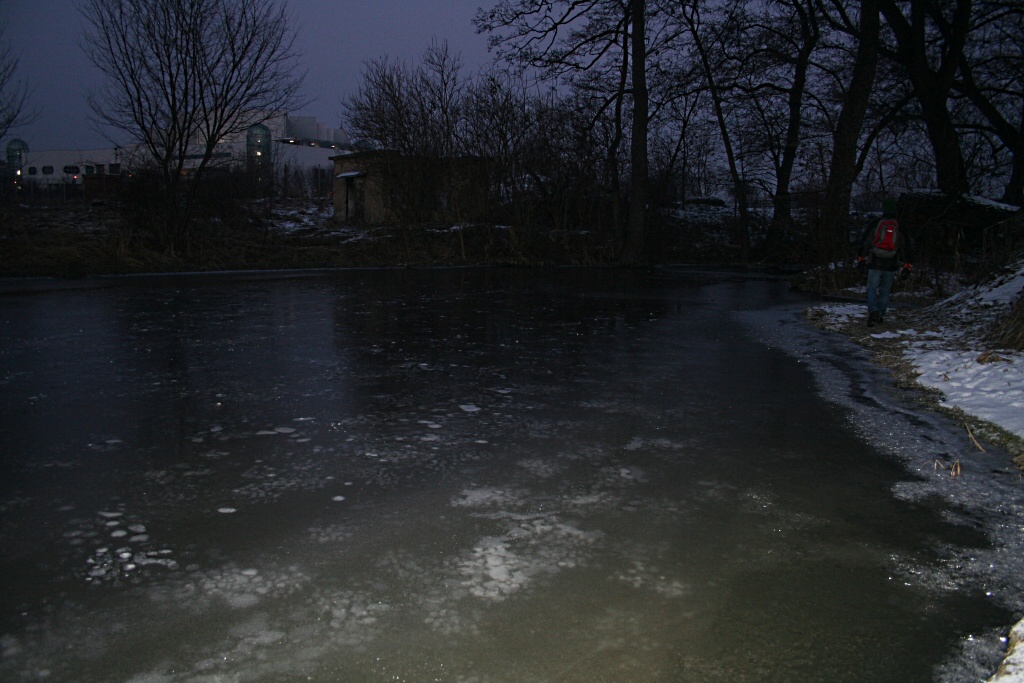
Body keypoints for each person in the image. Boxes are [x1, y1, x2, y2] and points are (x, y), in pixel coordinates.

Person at [857, 197, 913, 327]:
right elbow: (906, 247)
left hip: (875, 260)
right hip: (891, 262)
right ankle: (880, 314)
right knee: (885, 289)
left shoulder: (876, 223)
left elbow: (865, 242)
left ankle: (873, 312)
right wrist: (907, 265)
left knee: (871, 288)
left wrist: (861, 258)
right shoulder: (899, 226)